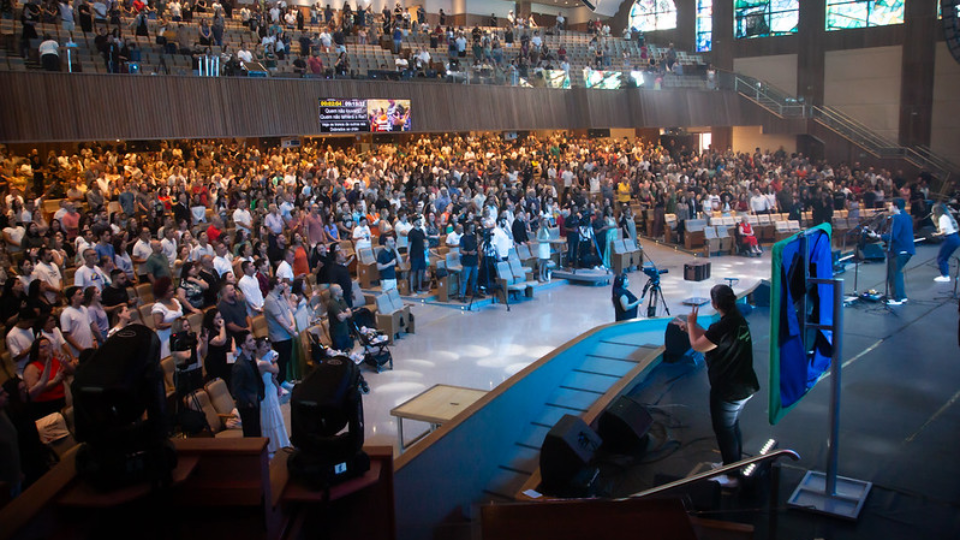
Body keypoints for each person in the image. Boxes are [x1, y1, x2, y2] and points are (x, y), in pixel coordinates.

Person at [678, 284, 759, 488]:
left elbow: (697, 345)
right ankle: (732, 465)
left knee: (724, 431)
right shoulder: (737, 319)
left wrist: (691, 323)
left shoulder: (722, 326)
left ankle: (731, 477)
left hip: (728, 390)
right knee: (732, 427)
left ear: (714, 304)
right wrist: (690, 329)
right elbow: (711, 338)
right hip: (744, 385)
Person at [255, 338, 290, 458]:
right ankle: (273, 445)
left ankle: (278, 442)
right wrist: (274, 361)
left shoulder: (261, 359)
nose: (267, 348)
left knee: (273, 416)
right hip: (267, 391)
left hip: (270, 388)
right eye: (264, 346)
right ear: (258, 349)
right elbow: (276, 370)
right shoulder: (262, 363)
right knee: (271, 417)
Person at [880, 198, 915, 305]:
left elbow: (893, 236)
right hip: (908, 250)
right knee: (897, 273)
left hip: (899, 250)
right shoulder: (907, 216)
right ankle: (901, 296)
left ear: (895, 206)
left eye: (890, 205)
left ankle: (897, 298)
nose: (889, 207)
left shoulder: (897, 218)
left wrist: (878, 236)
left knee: (893, 274)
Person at [230, 331, 264, 438]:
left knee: (257, 430)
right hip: (247, 405)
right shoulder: (239, 365)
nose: (254, 342)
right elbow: (236, 389)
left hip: (255, 399)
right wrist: (248, 403)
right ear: (243, 345)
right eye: (250, 340)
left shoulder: (251, 357)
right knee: (251, 433)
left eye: (253, 339)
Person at [263, 277, 296, 383]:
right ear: (275, 286)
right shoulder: (270, 300)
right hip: (279, 337)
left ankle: (285, 381)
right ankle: (280, 383)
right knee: (281, 361)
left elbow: (288, 310)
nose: (283, 284)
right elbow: (280, 319)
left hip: (287, 334)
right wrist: (291, 331)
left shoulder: (281, 296)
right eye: (281, 283)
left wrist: (293, 324)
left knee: (286, 359)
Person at [170, 316, 205, 396]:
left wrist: (204, 341)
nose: (188, 327)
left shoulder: (192, 339)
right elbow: (188, 356)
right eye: (185, 326)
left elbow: (203, 353)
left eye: (188, 325)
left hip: (197, 372)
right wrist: (199, 344)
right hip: (185, 376)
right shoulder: (175, 343)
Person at [151, 276, 183, 358]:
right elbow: (158, 325)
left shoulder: (175, 301)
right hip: (166, 337)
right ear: (162, 292)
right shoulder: (158, 307)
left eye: (172, 290)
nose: (172, 292)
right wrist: (174, 324)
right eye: (169, 291)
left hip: (179, 333)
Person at [933, 203, 959, 282]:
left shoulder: (942, 218)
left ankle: (945, 276)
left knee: (941, 258)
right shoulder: (947, 216)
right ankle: (945, 273)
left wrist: (935, 234)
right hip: (955, 237)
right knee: (945, 257)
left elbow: (943, 232)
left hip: (950, 239)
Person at [326, 283, 353, 351]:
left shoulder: (341, 300)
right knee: (341, 353)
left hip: (345, 331)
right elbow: (341, 318)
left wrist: (345, 314)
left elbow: (350, 314)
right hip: (337, 334)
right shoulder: (332, 303)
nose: (342, 290)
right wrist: (346, 314)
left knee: (348, 350)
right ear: (336, 292)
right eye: (340, 289)